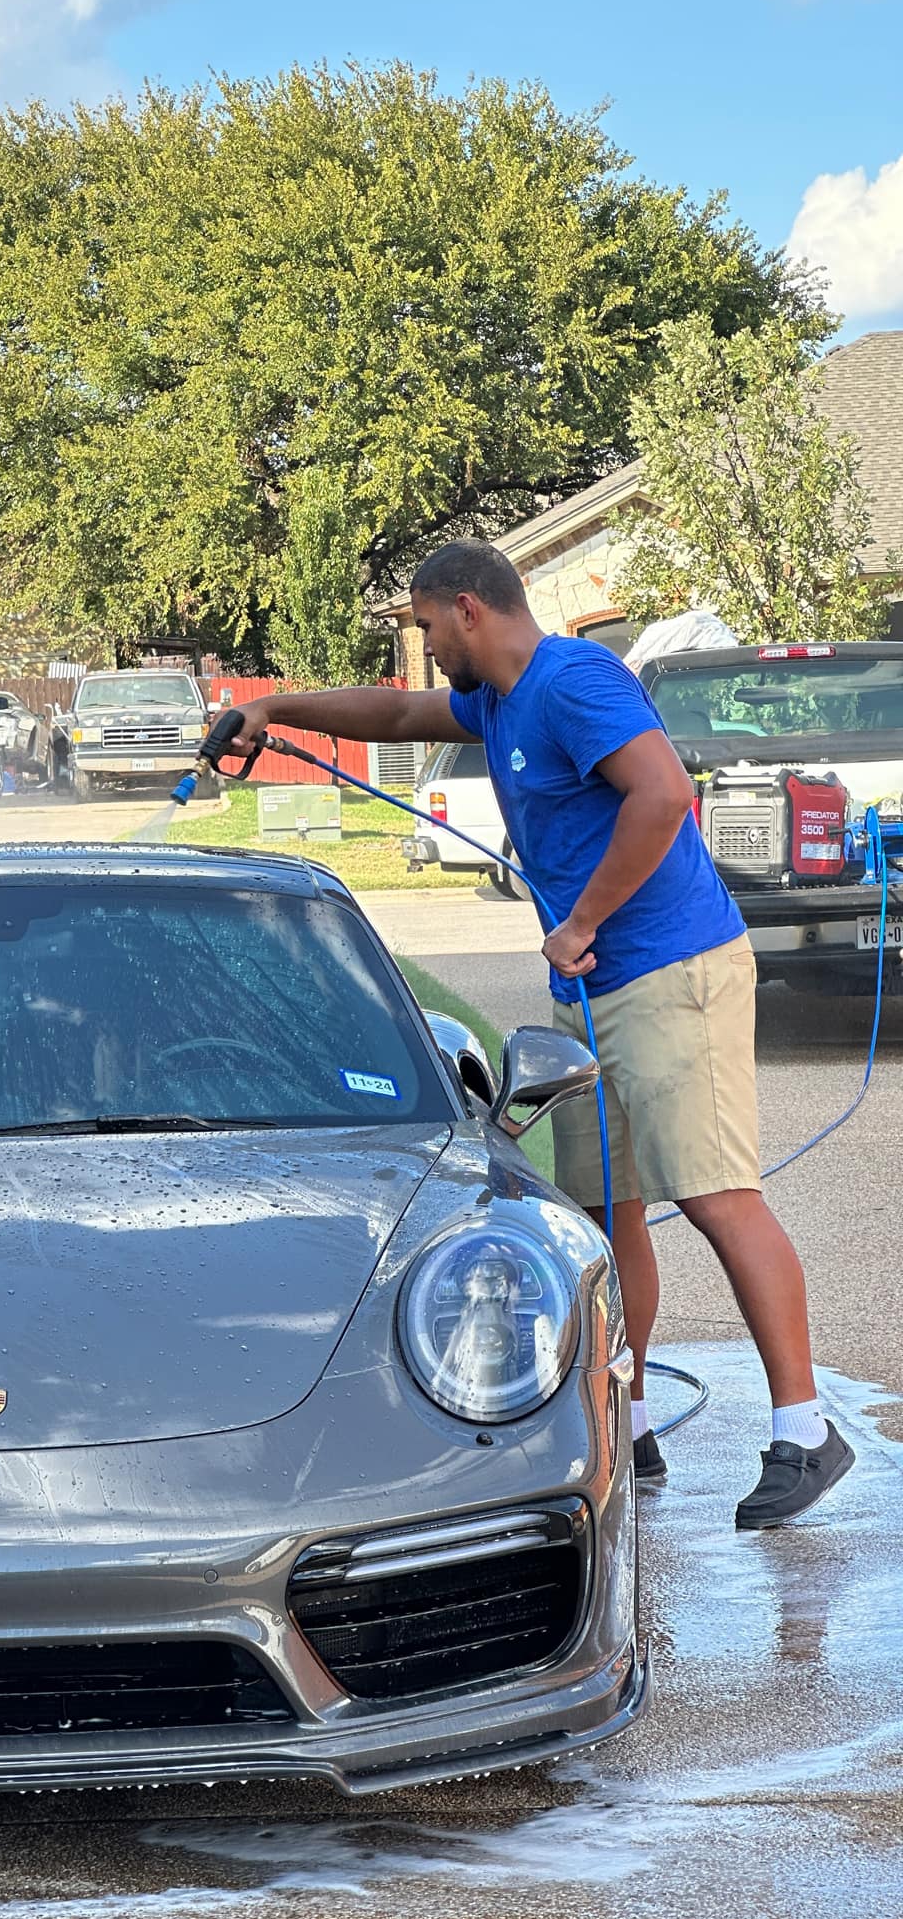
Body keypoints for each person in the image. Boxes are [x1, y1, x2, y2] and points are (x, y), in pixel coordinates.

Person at [228, 537, 852, 1529]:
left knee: (719, 1196)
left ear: (468, 608)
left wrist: (584, 919)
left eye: (429, 627)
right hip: (596, 981)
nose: (428, 650)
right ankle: (627, 1419)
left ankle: (805, 1427)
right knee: (609, 1208)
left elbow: (663, 794)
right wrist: (272, 709)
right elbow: (391, 711)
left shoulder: (574, 680)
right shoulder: (500, 699)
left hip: (673, 968)